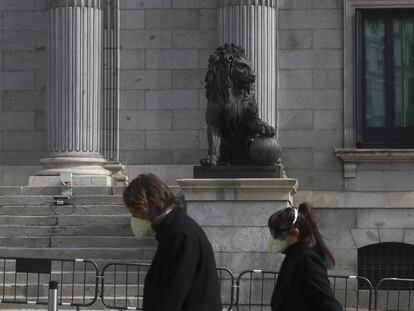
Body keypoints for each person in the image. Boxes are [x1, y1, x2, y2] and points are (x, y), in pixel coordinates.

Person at [123, 173, 222, 311]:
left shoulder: (180, 235)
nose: (135, 217)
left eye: (136, 210)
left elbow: (171, 296)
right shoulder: (174, 231)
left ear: (153, 203)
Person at [268, 202, 343, 311]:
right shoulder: (291, 256)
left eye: (278, 234)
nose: (276, 239)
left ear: (295, 233)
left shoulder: (307, 259)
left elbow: (328, 302)